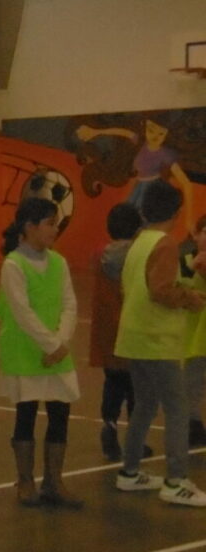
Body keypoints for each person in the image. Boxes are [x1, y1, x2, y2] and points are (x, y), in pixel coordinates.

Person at [114, 181, 206, 506]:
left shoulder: (139, 241)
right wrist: (190, 298)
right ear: (178, 212)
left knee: (145, 405)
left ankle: (129, 472)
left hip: (134, 336)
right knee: (178, 409)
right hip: (158, 339)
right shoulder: (166, 244)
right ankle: (176, 480)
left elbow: (141, 286)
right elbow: (161, 290)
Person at [0, 198, 82, 508]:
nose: (54, 229)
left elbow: (70, 304)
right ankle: (26, 481)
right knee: (26, 415)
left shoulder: (59, 262)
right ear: (30, 227)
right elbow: (21, 312)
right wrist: (51, 345)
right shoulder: (13, 265)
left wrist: (61, 342)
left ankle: (54, 481)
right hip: (25, 353)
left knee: (60, 414)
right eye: (49, 223)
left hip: (56, 353)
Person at [89, 203, 144, 461]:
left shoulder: (100, 255)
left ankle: (109, 424)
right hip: (132, 330)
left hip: (106, 331)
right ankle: (136, 440)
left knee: (112, 382)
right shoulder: (138, 256)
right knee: (136, 389)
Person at [180, 214, 206, 449]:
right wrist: (193, 267)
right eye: (205, 232)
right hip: (193, 336)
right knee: (191, 384)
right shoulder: (185, 260)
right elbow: (177, 288)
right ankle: (193, 425)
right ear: (196, 235)